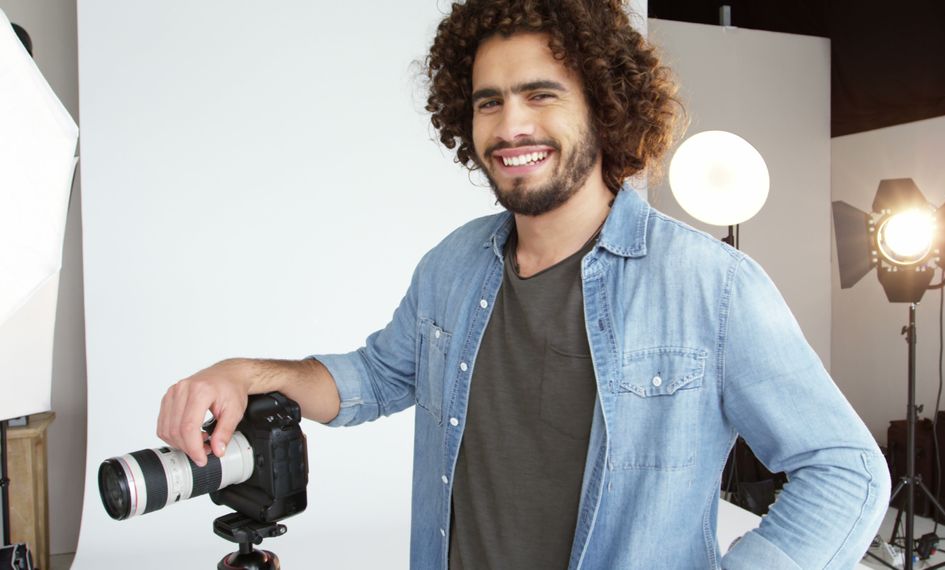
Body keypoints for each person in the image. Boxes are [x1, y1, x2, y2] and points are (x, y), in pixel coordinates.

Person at [156, 1, 890, 568]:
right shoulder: (454, 264)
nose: (511, 126)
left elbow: (846, 473)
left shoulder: (711, 286)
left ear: (603, 105)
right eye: (488, 101)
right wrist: (245, 373)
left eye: (542, 95)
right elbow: (375, 376)